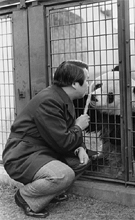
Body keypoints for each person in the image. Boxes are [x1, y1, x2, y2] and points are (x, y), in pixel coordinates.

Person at [3, 60, 92, 218]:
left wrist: (81, 148)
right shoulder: (49, 101)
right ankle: (25, 197)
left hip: (43, 151)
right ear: (74, 84)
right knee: (63, 175)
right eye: (87, 80)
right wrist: (79, 127)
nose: (88, 84)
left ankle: (49, 192)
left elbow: (64, 133)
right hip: (22, 155)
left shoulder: (61, 97)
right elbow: (64, 141)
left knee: (82, 161)